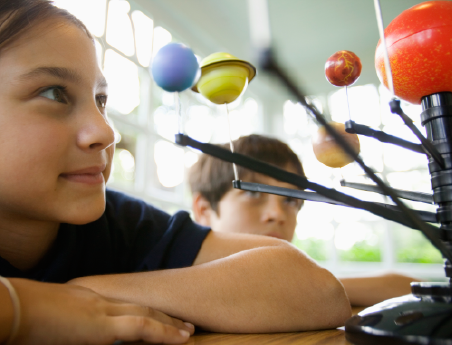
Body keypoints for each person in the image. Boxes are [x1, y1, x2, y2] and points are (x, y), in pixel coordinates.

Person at [0, 1, 351, 344]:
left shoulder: (120, 224)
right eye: (54, 93)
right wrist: (24, 308)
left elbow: (317, 291)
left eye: (100, 100)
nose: (106, 132)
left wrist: (83, 294)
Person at [188, 134, 420, 307]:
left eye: (290, 200)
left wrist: (311, 287)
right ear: (204, 210)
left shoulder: (302, 280)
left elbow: (408, 288)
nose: (277, 214)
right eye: (252, 192)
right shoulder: (173, 281)